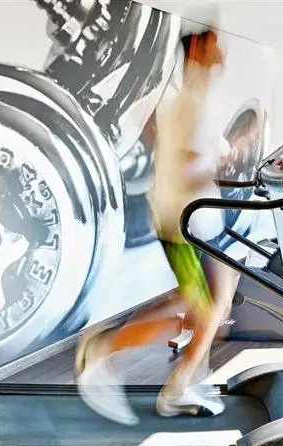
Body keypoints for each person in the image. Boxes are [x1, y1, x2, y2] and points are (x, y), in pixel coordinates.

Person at [74, 29, 241, 425]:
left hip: (200, 223)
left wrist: (218, 161)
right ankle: (104, 350)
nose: (222, 52)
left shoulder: (192, 102)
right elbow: (184, 169)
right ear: (197, 48)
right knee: (200, 311)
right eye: (215, 44)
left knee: (217, 304)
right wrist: (214, 170)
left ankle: (187, 376)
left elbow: (162, 137)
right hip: (184, 224)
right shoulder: (190, 104)